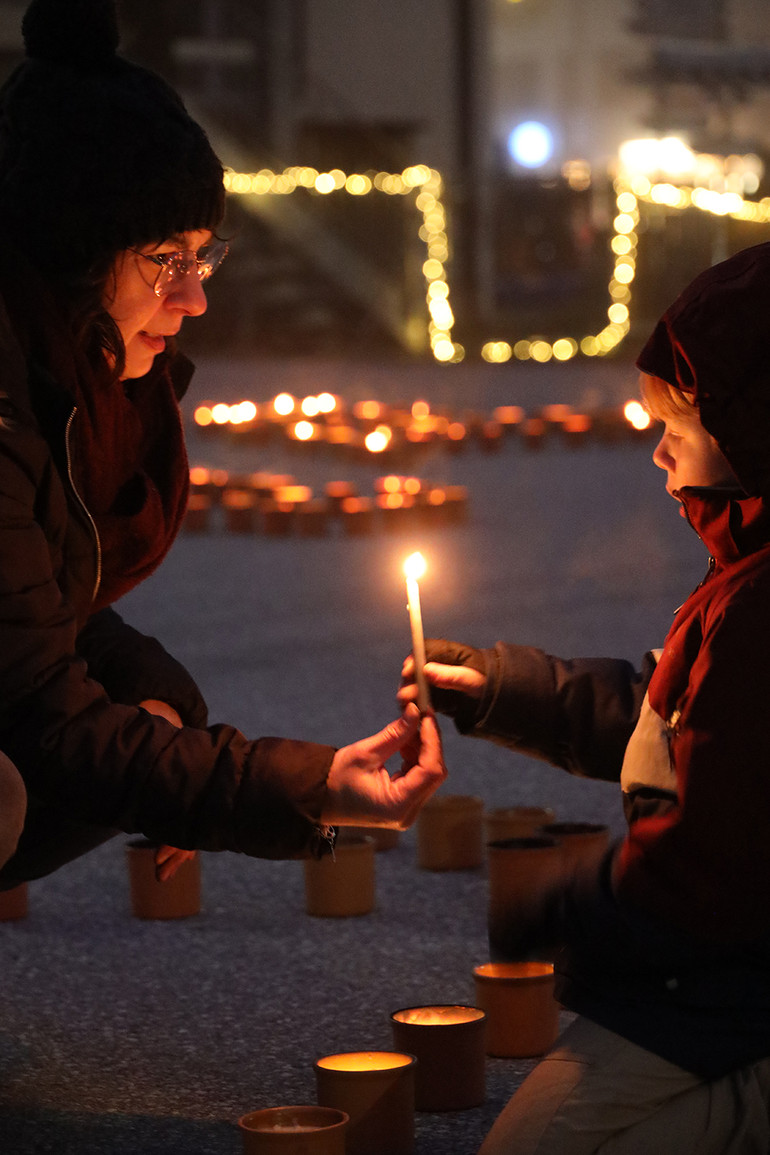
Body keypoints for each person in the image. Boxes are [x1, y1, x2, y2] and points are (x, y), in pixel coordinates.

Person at [0, 0, 445, 893]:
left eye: (204, 257)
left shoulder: (56, 378)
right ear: (76, 254)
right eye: (168, 259)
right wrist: (310, 785)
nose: (196, 298)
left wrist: (169, 709)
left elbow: (40, 610)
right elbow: (43, 712)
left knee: (137, 719)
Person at [400, 242, 770, 1153]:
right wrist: (506, 688)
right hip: (716, 970)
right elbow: (672, 716)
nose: (656, 453)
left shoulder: (763, 605)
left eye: (677, 427)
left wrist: (566, 906)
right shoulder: (744, 580)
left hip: (730, 978)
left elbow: (717, 859)